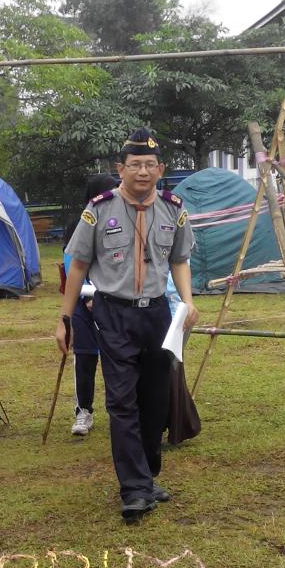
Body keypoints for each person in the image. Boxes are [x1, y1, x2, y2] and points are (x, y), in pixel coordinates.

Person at [56, 128, 198, 521]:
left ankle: (147, 473)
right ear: (120, 168)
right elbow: (78, 266)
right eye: (134, 165)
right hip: (112, 313)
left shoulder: (174, 208)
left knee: (156, 399)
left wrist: (187, 302)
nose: (142, 171)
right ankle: (134, 489)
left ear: (160, 169)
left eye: (150, 165)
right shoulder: (98, 210)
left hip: (158, 315)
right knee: (122, 401)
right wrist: (64, 318)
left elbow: (180, 259)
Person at [63, 173, 116, 436]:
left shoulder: (120, 220)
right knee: (84, 357)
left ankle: (119, 411)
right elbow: (73, 266)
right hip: (84, 303)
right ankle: (83, 411)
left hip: (113, 301)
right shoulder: (78, 224)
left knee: (116, 358)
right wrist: (88, 296)